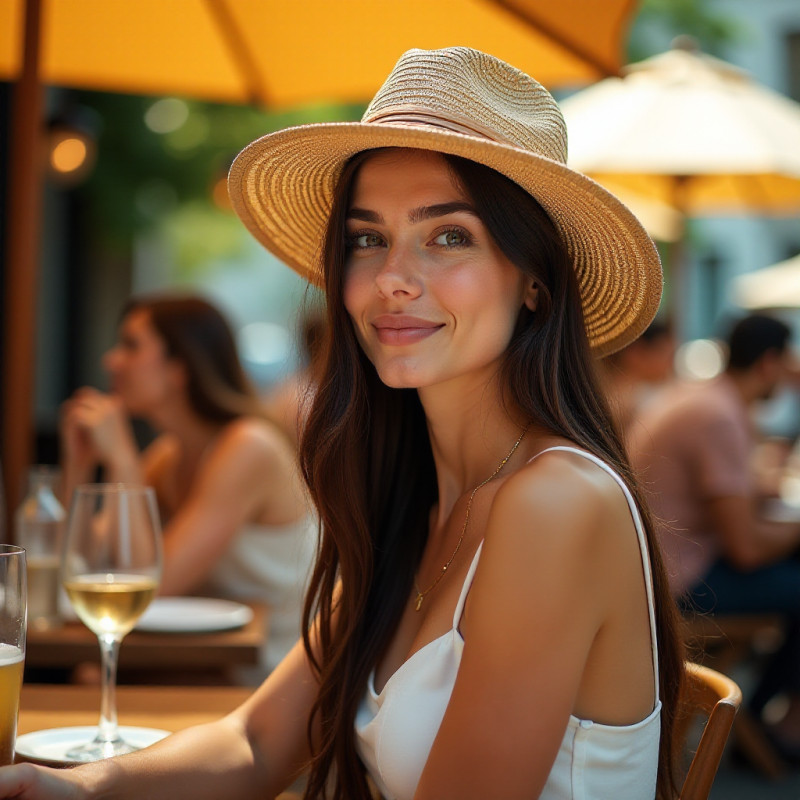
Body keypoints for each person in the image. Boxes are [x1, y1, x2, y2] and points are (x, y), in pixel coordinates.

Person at [0, 47, 683, 800]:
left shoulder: (555, 503)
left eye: (448, 236)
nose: (393, 276)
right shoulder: (409, 501)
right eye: (367, 238)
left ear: (534, 283)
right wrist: (75, 786)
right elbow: (254, 742)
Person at [59, 294, 317, 677]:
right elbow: (82, 564)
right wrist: (78, 468)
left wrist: (123, 460)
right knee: (91, 673)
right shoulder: (170, 455)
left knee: (93, 674)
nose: (110, 361)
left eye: (130, 345)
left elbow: (150, 587)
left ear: (180, 368)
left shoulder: (249, 446)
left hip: (274, 673)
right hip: (209, 662)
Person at [629, 313, 800, 754]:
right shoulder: (719, 416)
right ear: (768, 363)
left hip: (650, 569)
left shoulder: (703, 398)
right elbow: (745, 548)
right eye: (787, 364)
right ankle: (767, 727)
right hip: (677, 584)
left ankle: (765, 723)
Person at [600, 319, 676, 441]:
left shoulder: (644, 393)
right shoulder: (630, 401)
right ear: (635, 352)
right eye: (664, 353)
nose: (669, 364)